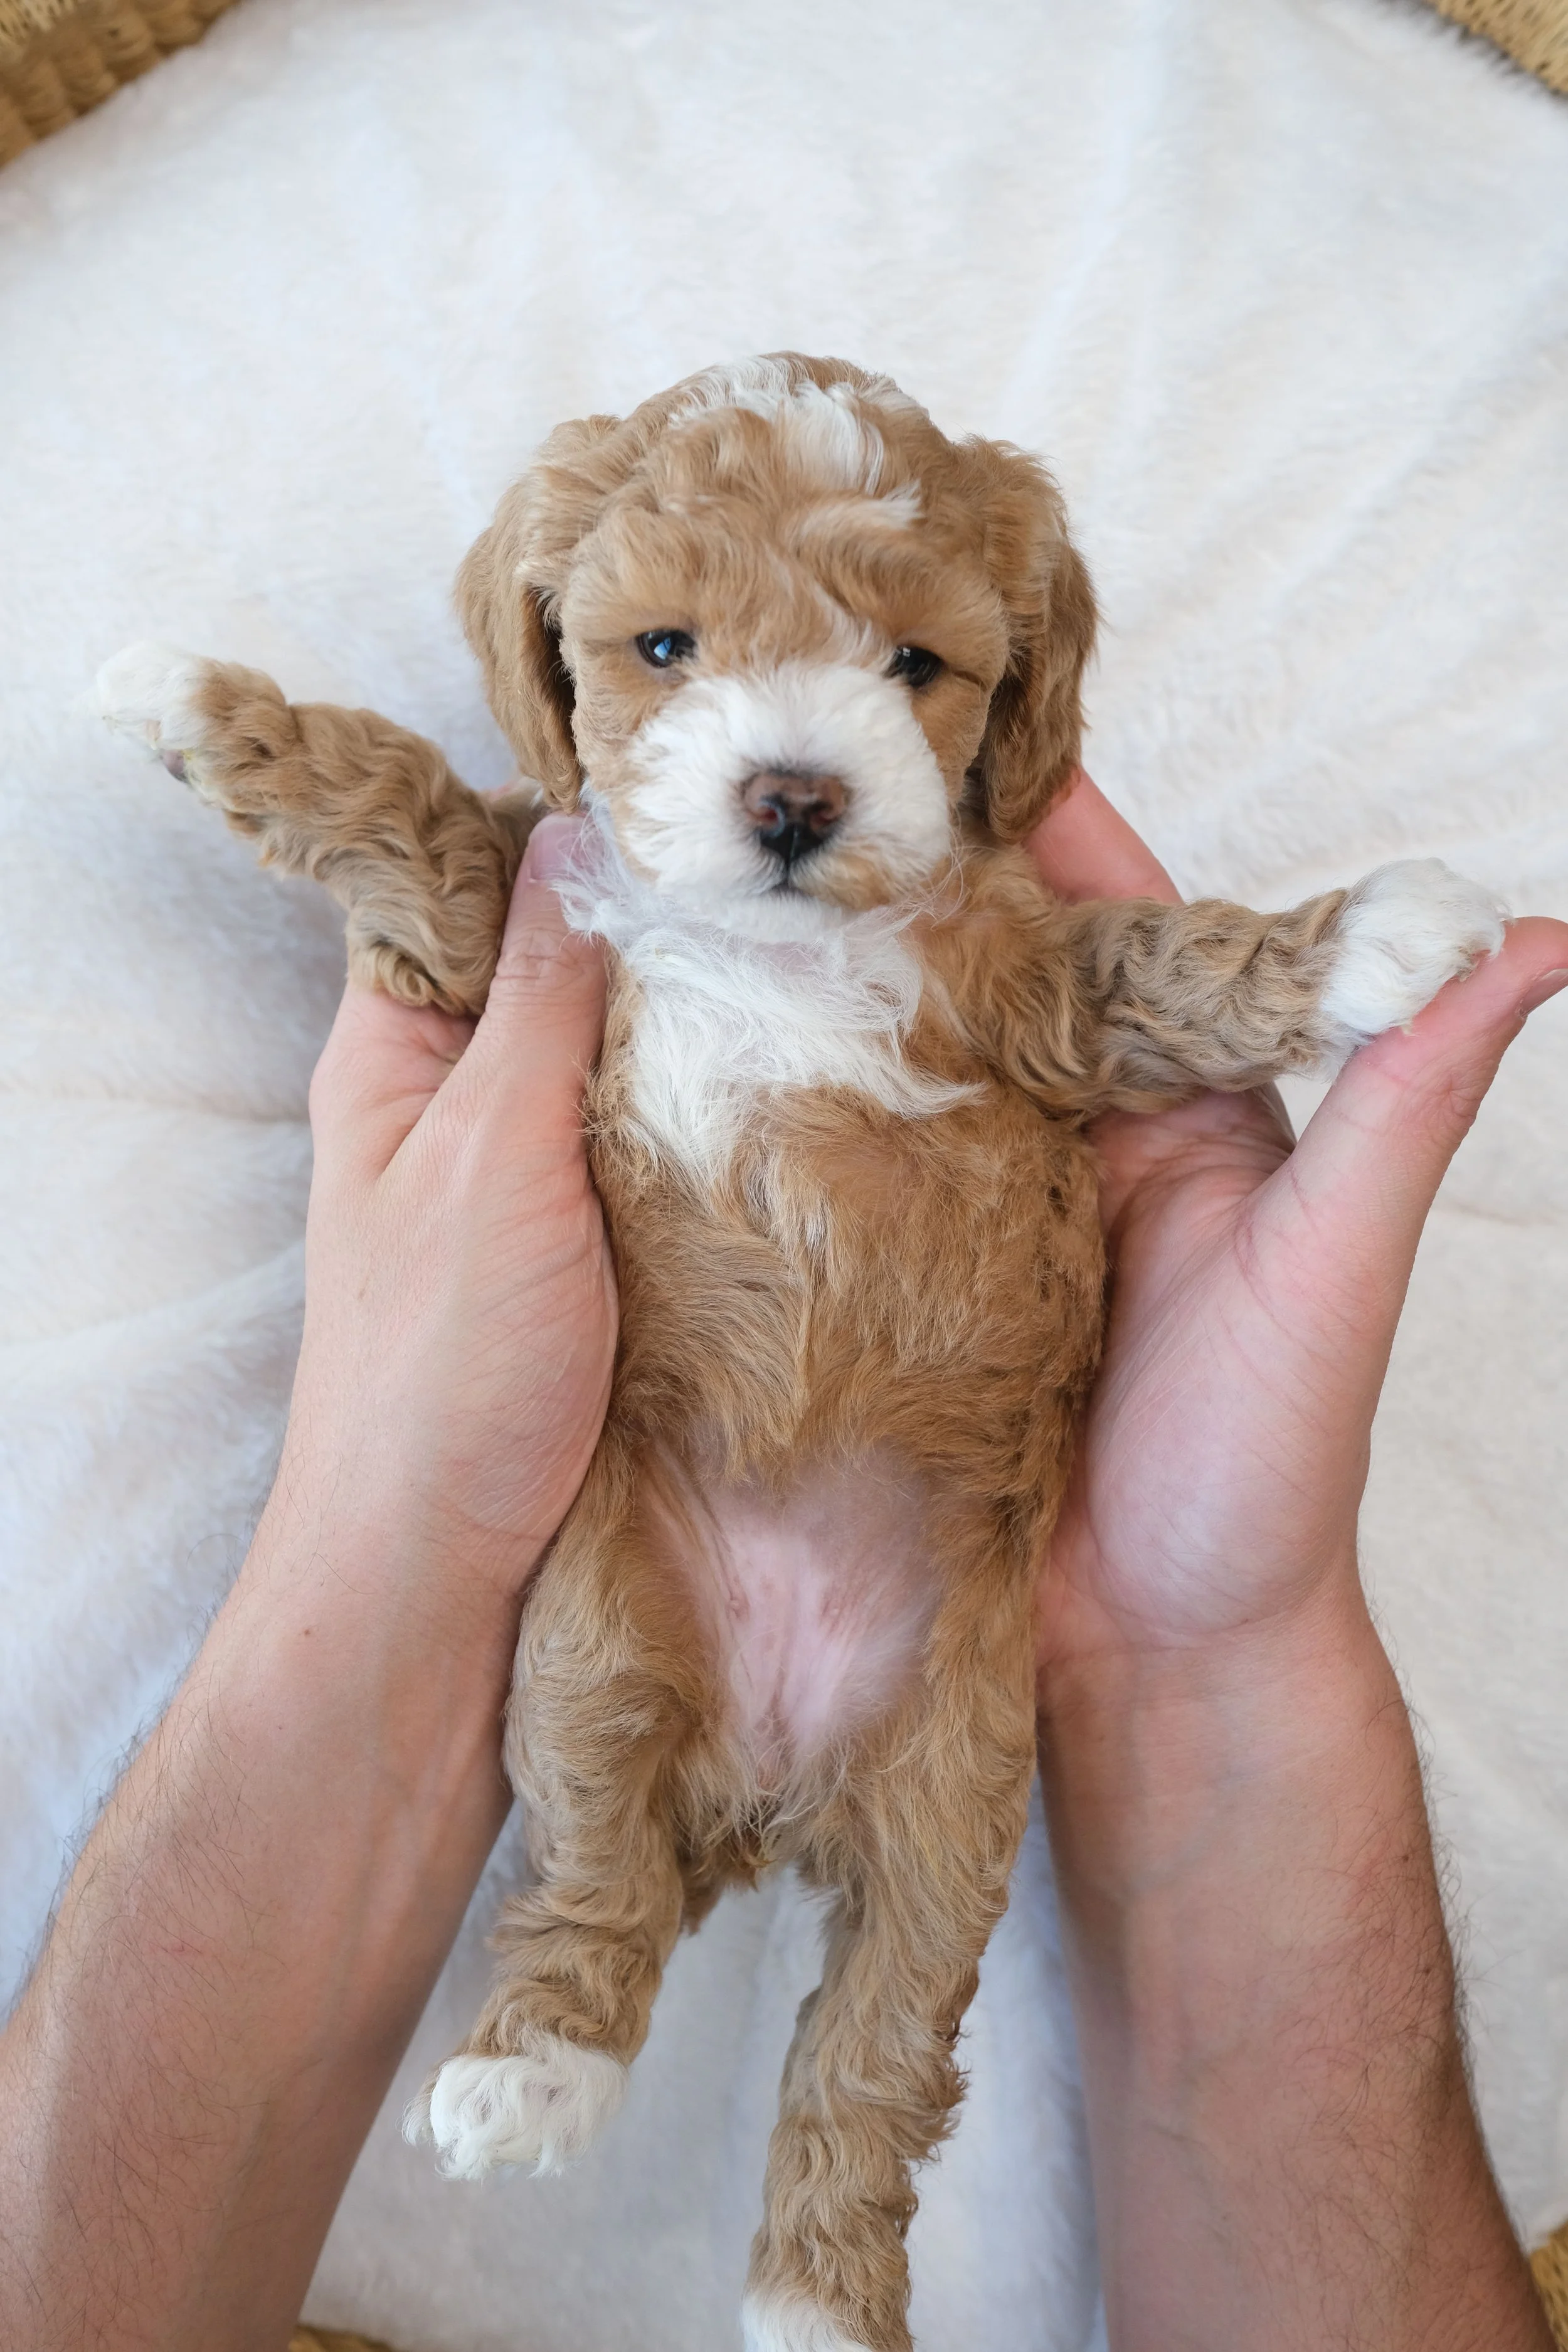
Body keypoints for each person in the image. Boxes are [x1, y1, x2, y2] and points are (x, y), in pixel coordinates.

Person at [1, 776, 1562, 2352]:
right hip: (664, 1521)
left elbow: (1105, 987)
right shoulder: (607, 894)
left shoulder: (989, 933)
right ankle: (578, 1981)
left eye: (910, 665)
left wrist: (1300, 970)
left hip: (951, 1573)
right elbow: (450, 890)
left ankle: (832, 2251)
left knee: (919, 1909)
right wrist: (301, 772)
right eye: (664, 658)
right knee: (601, 1708)